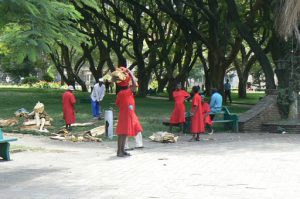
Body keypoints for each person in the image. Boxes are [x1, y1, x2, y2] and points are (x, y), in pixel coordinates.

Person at [113, 67, 143, 157]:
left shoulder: (122, 93)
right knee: (122, 133)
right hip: (125, 115)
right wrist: (131, 73)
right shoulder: (127, 92)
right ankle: (119, 152)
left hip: (126, 115)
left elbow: (117, 104)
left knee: (124, 133)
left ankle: (122, 150)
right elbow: (134, 85)